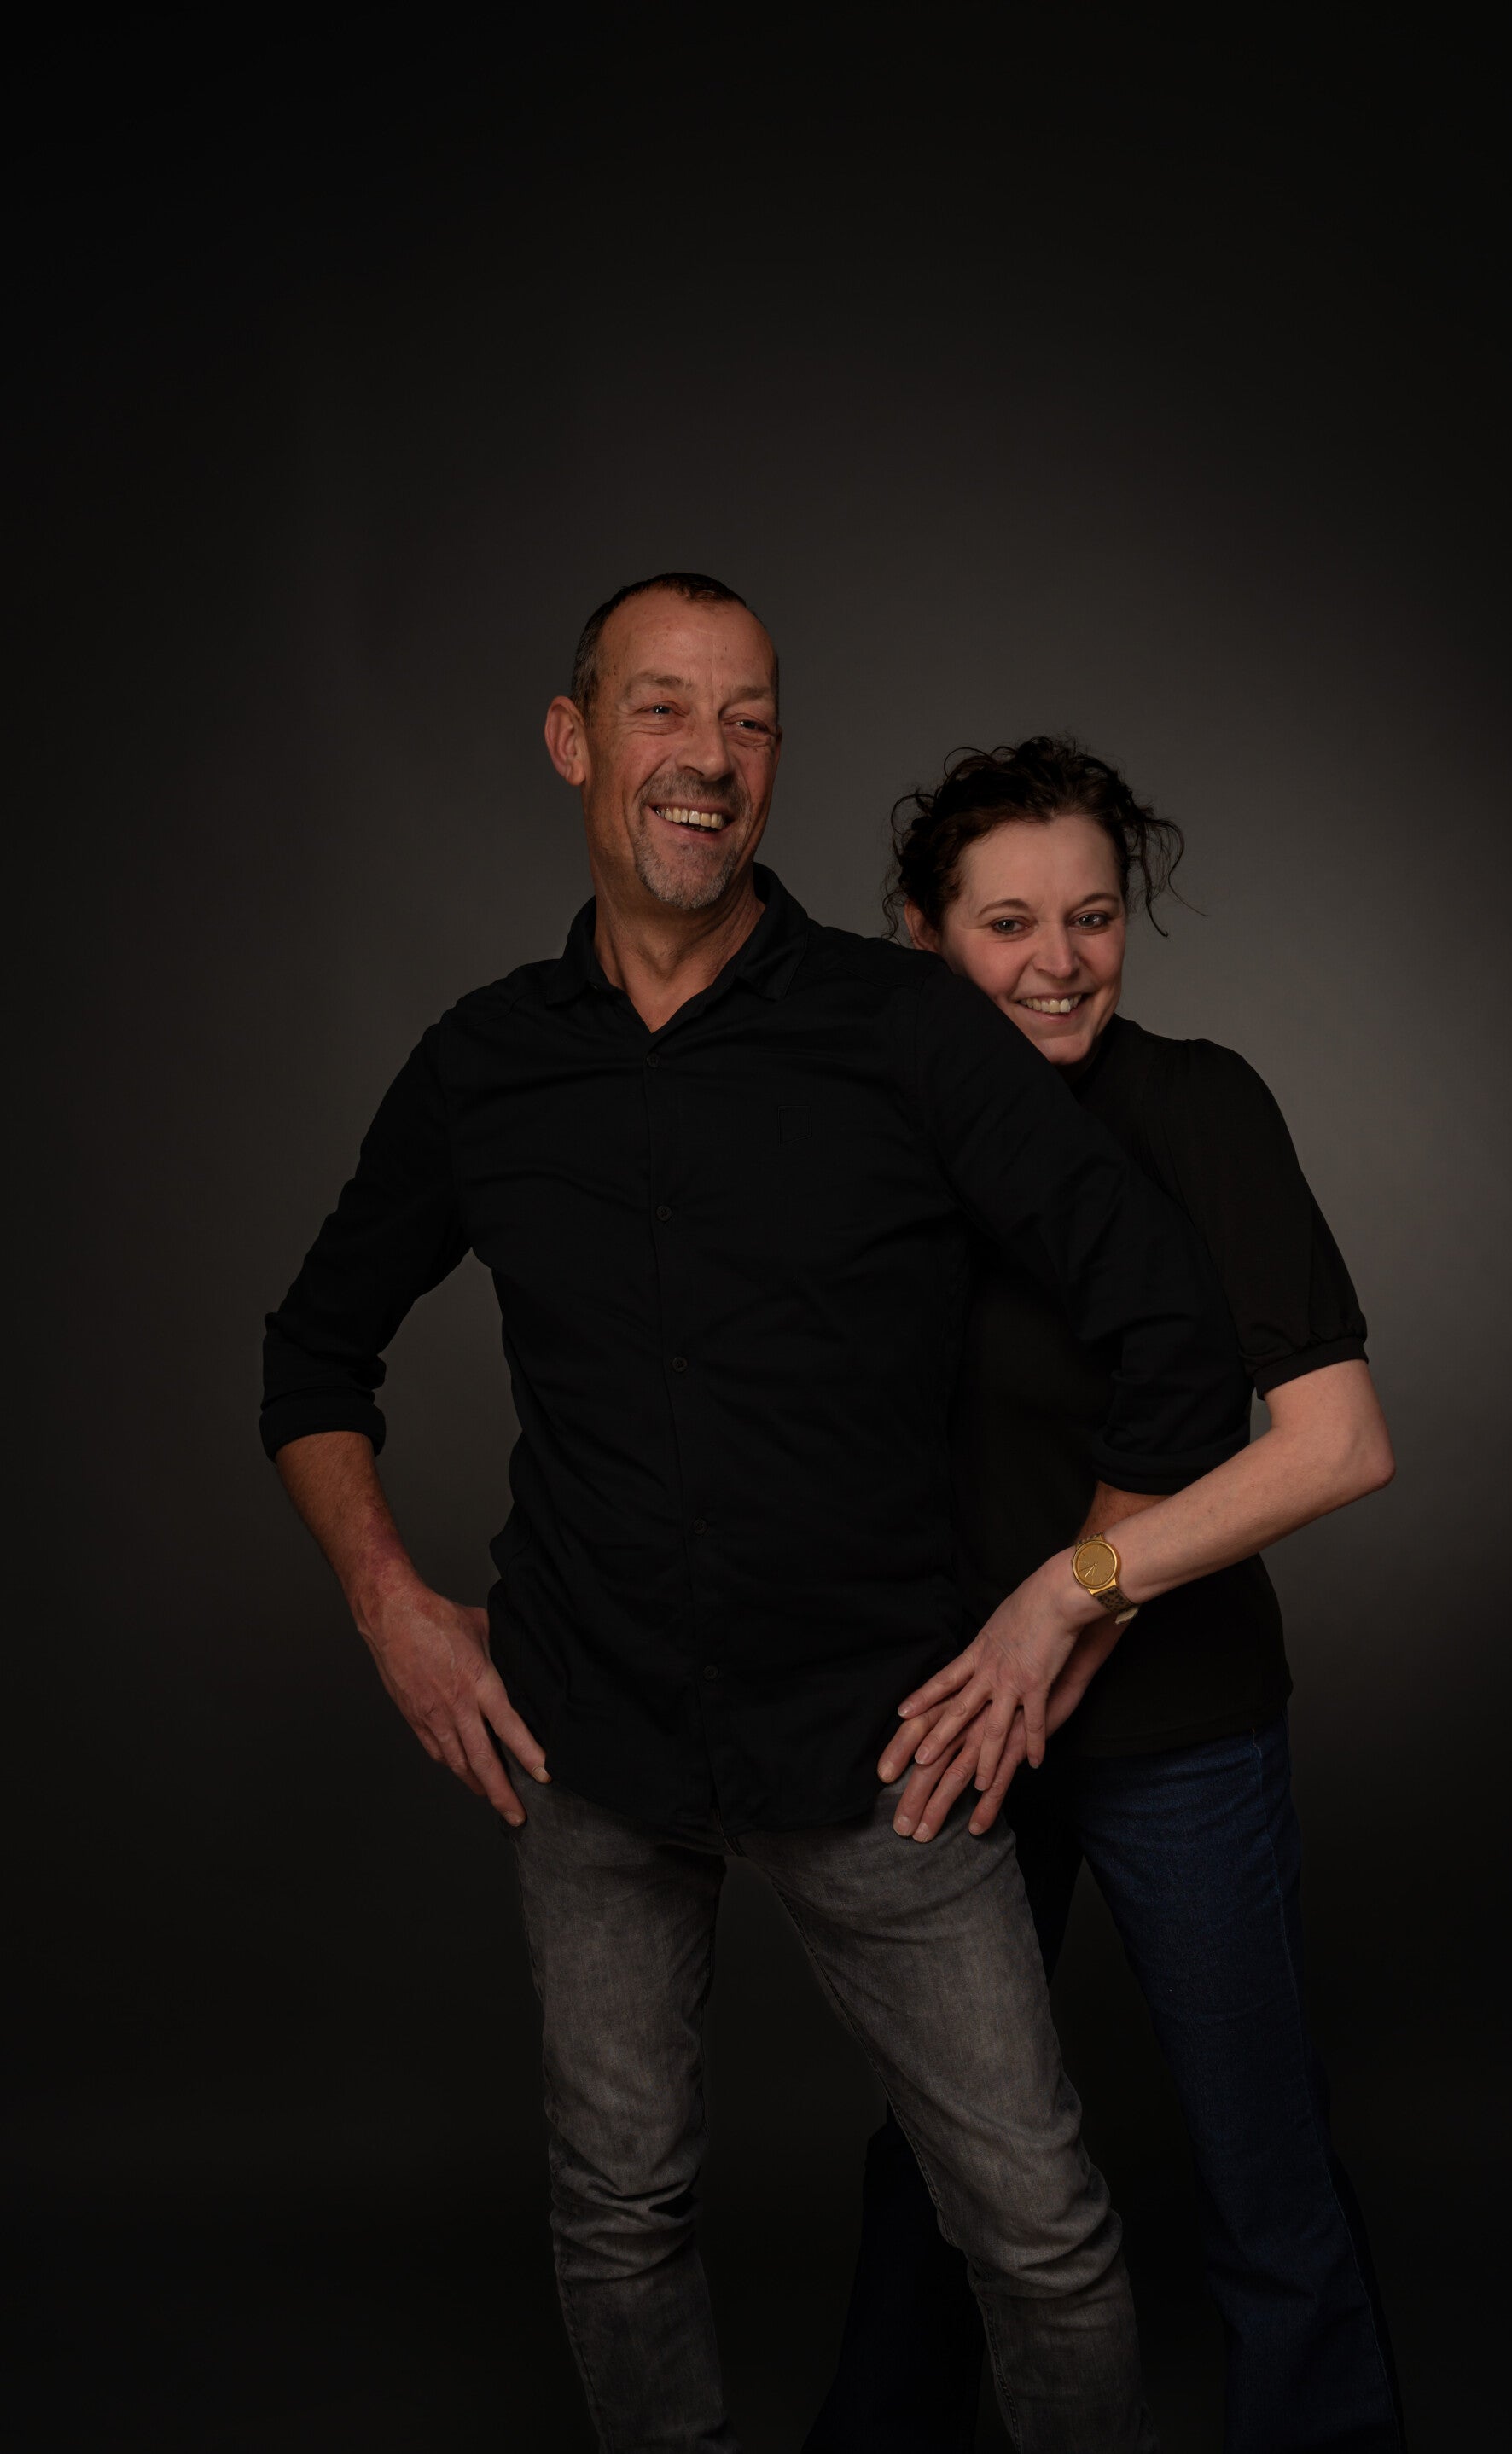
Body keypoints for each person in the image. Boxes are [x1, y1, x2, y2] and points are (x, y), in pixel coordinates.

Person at [260, 577, 1267, 2453]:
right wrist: (391, 1604)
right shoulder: (484, 1062)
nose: (706, 757)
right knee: (620, 2211)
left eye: (746, 719)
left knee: (1043, 2237)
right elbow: (313, 1356)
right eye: (662, 708)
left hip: (886, 1744)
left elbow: (1171, 1329)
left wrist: (1074, 1598)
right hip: (588, 1744)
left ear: (775, 759)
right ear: (574, 741)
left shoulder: (910, 1029)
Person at [806, 737, 1405, 2454]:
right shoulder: (874, 1140)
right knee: (940, 2157)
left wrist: (1066, 1598)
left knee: (1260, 2158)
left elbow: (1340, 1445)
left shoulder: (1197, 1105)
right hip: (958, 1728)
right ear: (922, 934)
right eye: (1008, 923)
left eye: (1092, 915)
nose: (1059, 960)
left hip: (1179, 1728)